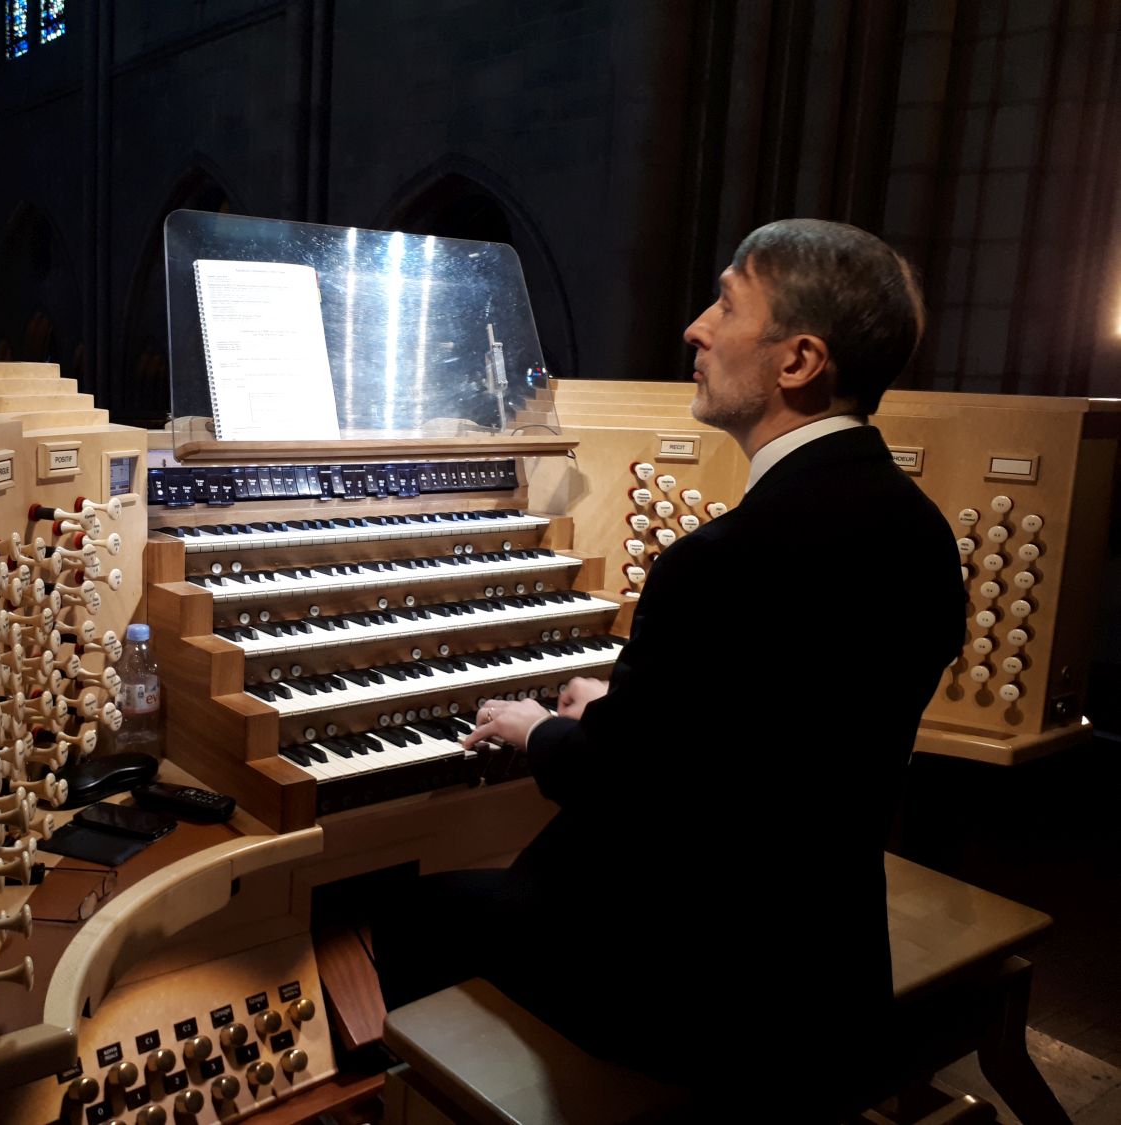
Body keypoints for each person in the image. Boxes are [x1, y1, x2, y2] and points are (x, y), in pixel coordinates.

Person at [374, 219, 966, 1115]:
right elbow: (776, 728)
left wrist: (542, 731)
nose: (695, 328)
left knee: (408, 914)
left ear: (798, 361)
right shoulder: (920, 532)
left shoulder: (723, 561)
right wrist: (625, 705)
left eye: (726, 304)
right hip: (828, 966)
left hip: (693, 991)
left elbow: (625, 786)